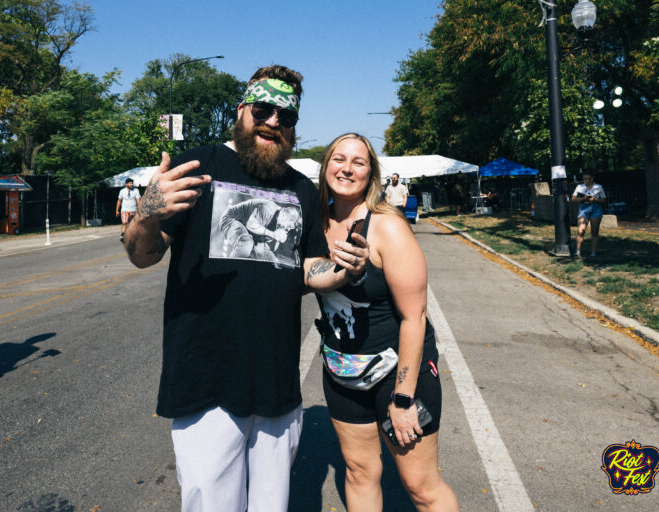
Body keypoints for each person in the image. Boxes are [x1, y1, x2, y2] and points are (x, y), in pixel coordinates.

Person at [123, 65, 369, 512]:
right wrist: (146, 214)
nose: (274, 121)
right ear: (242, 111)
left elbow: (310, 267)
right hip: (204, 383)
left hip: (277, 386)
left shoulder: (301, 190)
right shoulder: (197, 166)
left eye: (286, 116)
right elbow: (143, 254)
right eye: (264, 109)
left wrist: (343, 272)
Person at [315, 133, 459, 511]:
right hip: (342, 372)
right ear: (325, 165)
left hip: (396, 373)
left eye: (358, 162)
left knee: (421, 487)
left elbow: (415, 317)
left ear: (371, 173)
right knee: (359, 472)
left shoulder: (386, 225)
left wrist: (403, 397)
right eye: (338, 159)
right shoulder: (315, 224)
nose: (346, 168)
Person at [572, 172, 606, 257]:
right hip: (584, 208)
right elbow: (573, 199)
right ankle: (577, 251)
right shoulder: (580, 187)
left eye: (588, 178)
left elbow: (603, 200)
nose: (587, 180)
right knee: (580, 230)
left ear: (592, 178)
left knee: (594, 231)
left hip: (596, 208)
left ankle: (593, 252)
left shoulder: (599, 187)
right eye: (585, 179)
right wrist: (583, 198)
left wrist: (595, 200)